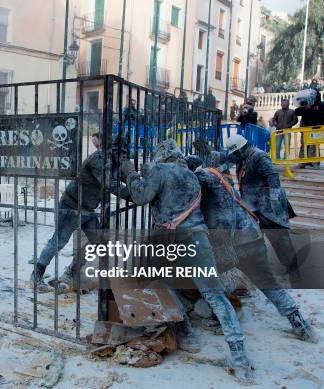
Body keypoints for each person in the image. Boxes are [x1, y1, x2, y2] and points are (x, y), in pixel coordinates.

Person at [120, 140, 254, 384]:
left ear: (162, 156)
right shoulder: (192, 177)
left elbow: (140, 196)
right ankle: (239, 355)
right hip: (198, 238)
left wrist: (130, 172)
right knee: (215, 296)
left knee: (158, 282)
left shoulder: (161, 171)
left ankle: (186, 333)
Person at [186, 155, 318, 343]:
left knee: (217, 285)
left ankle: (221, 323)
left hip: (234, 241)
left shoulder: (203, 178)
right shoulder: (219, 176)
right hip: (252, 237)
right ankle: (300, 324)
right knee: (268, 283)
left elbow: (217, 214)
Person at [30, 143, 127, 293]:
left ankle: (71, 272)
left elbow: (123, 177)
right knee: (59, 241)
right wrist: (134, 195)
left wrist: (134, 178)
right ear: (113, 151)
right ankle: (37, 274)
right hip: (71, 206)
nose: (124, 158)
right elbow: (110, 184)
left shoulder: (114, 163)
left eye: (126, 155)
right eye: (122, 154)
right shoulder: (99, 159)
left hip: (89, 209)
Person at [225, 134, 300, 284]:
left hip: (269, 207)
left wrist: (274, 205)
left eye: (235, 153)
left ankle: (294, 271)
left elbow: (273, 178)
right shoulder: (244, 159)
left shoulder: (259, 156)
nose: (234, 156)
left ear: (240, 149)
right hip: (254, 206)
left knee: (280, 239)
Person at [295, 89, 324, 168]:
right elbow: (297, 112)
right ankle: (302, 162)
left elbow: (321, 114)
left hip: (316, 129)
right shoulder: (306, 104)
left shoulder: (320, 104)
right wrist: (304, 106)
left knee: (314, 145)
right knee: (304, 145)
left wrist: (310, 108)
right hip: (305, 129)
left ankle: (315, 163)